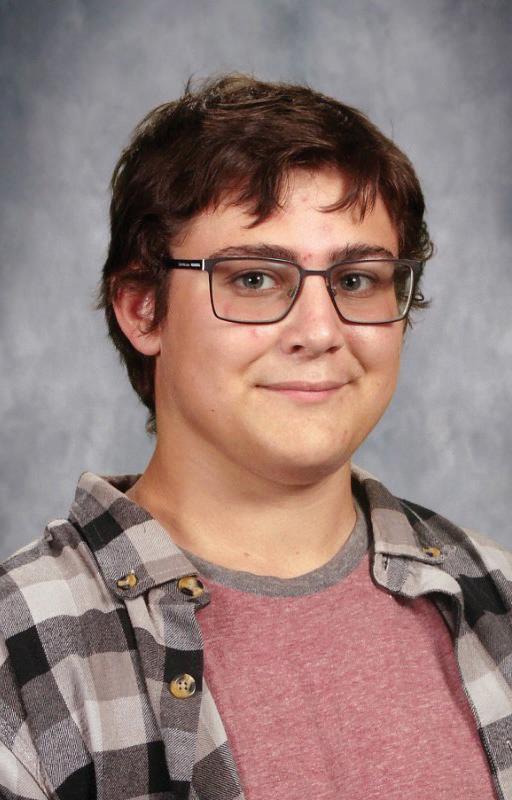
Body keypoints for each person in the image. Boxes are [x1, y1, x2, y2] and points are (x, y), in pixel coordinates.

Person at [0, 73, 510, 800]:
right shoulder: (21, 653)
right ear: (142, 309)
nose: (320, 331)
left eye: (357, 281)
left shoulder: (497, 598)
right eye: (255, 279)